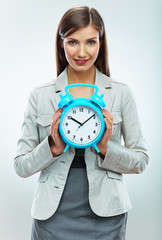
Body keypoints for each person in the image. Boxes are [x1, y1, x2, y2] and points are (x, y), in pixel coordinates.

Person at [14, 6, 149, 240]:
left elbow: (141, 160)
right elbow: (21, 165)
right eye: (73, 42)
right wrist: (52, 147)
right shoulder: (41, 96)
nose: (82, 52)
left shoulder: (120, 93)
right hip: (52, 213)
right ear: (61, 43)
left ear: (101, 43)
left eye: (91, 42)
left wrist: (107, 149)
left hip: (107, 213)